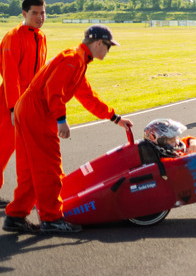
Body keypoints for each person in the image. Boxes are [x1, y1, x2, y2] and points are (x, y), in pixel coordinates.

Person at [3, 25, 133, 234]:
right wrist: (61, 120)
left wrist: (115, 118)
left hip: (28, 109)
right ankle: (52, 218)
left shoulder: (78, 60)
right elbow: (53, 90)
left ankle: (16, 215)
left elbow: (88, 97)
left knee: (30, 169)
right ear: (99, 43)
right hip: (37, 111)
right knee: (49, 168)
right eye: (108, 46)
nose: (108, 51)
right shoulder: (74, 59)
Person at [0, 0, 47, 210]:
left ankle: (33, 197)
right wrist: (13, 108)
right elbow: (10, 76)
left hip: (31, 103)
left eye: (42, 12)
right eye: (35, 13)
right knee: (3, 149)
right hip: (10, 103)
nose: (40, 17)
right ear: (24, 14)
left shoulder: (41, 37)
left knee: (33, 152)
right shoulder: (13, 37)